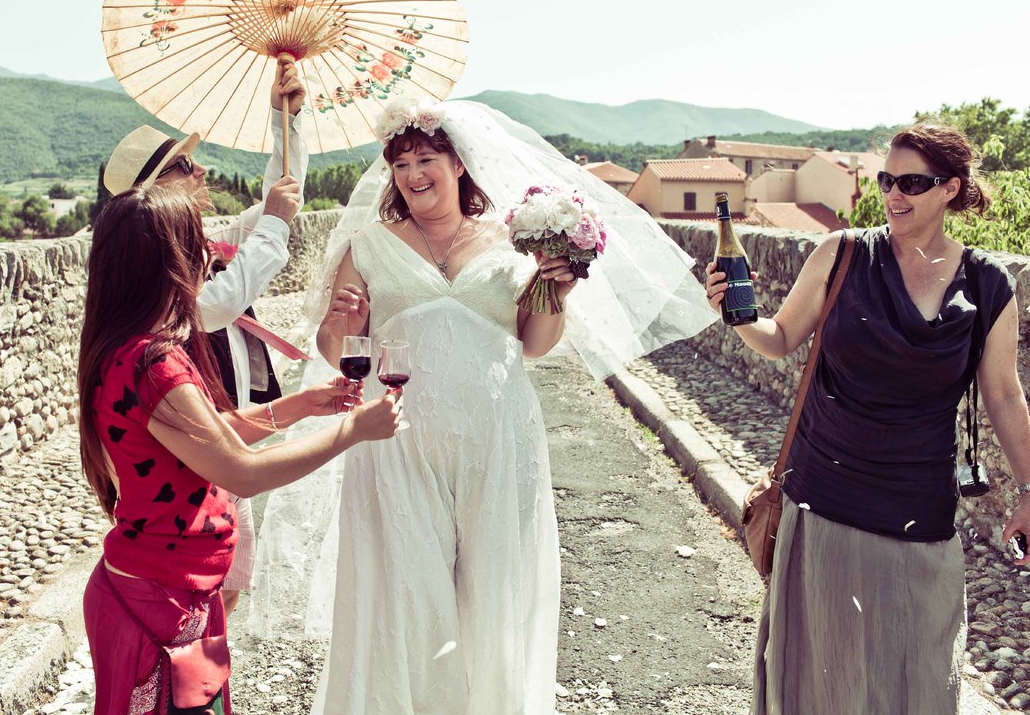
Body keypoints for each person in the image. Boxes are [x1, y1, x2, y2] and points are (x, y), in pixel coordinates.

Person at [248, 97, 717, 714]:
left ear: (458, 162)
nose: (414, 174)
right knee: (406, 595)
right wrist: (343, 323)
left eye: (427, 158)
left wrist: (555, 290)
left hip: (500, 437)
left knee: (497, 591)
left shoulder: (512, 238)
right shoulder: (367, 245)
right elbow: (338, 353)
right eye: (402, 163)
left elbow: (536, 345)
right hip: (398, 444)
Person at [704, 121, 1030, 714]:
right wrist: (736, 316)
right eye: (887, 179)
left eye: (912, 181)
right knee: (819, 680)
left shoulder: (988, 284)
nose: (893, 193)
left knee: (916, 679)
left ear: (950, 188)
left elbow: (1005, 396)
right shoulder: (841, 255)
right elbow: (781, 338)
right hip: (824, 502)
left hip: (918, 511)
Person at [78, 182, 401, 714]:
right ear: (169, 262)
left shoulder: (124, 348)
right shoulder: (153, 365)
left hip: (164, 587)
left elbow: (210, 436)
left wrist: (298, 406)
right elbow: (241, 471)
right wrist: (353, 430)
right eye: (195, 244)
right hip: (161, 598)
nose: (208, 255)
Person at [102, 60, 308, 619]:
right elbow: (215, 306)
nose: (202, 171)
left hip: (222, 423)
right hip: (197, 446)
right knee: (211, 579)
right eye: (186, 165)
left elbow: (278, 200)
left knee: (229, 575)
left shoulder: (201, 242)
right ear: (156, 189)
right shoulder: (159, 275)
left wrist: (285, 120)